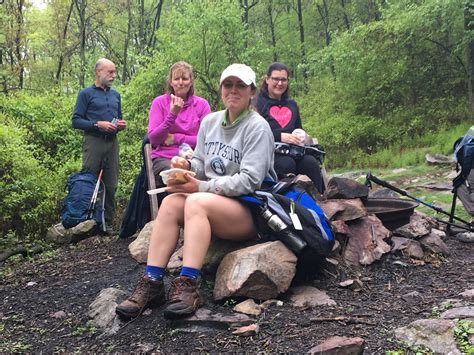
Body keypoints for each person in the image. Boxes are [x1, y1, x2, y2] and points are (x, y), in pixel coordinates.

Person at [116, 63, 277, 320]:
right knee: (171, 203)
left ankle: (188, 284)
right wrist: (186, 167)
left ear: (252, 91)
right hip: (215, 202)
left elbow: (250, 181)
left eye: (240, 86)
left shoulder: (257, 127)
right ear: (221, 89)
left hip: (249, 209)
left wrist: (199, 186)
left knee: (196, 202)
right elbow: (202, 164)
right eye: (228, 85)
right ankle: (153, 282)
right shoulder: (211, 122)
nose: (233, 90)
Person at [72, 58, 126, 233]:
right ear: (98, 72)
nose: (113, 76)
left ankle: (107, 224)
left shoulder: (115, 95)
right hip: (93, 141)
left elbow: (118, 117)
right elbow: (76, 121)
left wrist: (119, 126)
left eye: (114, 72)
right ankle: (85, 223)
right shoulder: (85, 94)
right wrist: (97, 124)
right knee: (89, 181)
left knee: (111, 184)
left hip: (112, 142)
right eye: (110, 72)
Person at [254, 62, 324, 193]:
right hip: (269, 152)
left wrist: (303, 137)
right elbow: (254, 132)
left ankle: (318, 201)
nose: (280, 83)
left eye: (283, 80)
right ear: (267, 79)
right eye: (276, 79)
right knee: (286, 164)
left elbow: (298, 128)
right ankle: (284, 203)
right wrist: (280, 136)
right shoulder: (257, 103)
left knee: (311, 163)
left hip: (294, 151)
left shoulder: (292, 104)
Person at [148, 61, 211, 187]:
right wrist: (172, 114)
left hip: (195, 159)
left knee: (208, 174)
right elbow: (154, 139)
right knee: (176, 175)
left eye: (185, 78)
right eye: (176, 79)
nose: (181, 82)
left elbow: (208, 141)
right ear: (171, 82)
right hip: (165, 158)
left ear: (191, 81)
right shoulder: (159, 103)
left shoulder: (202, 105)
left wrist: (176, 138)